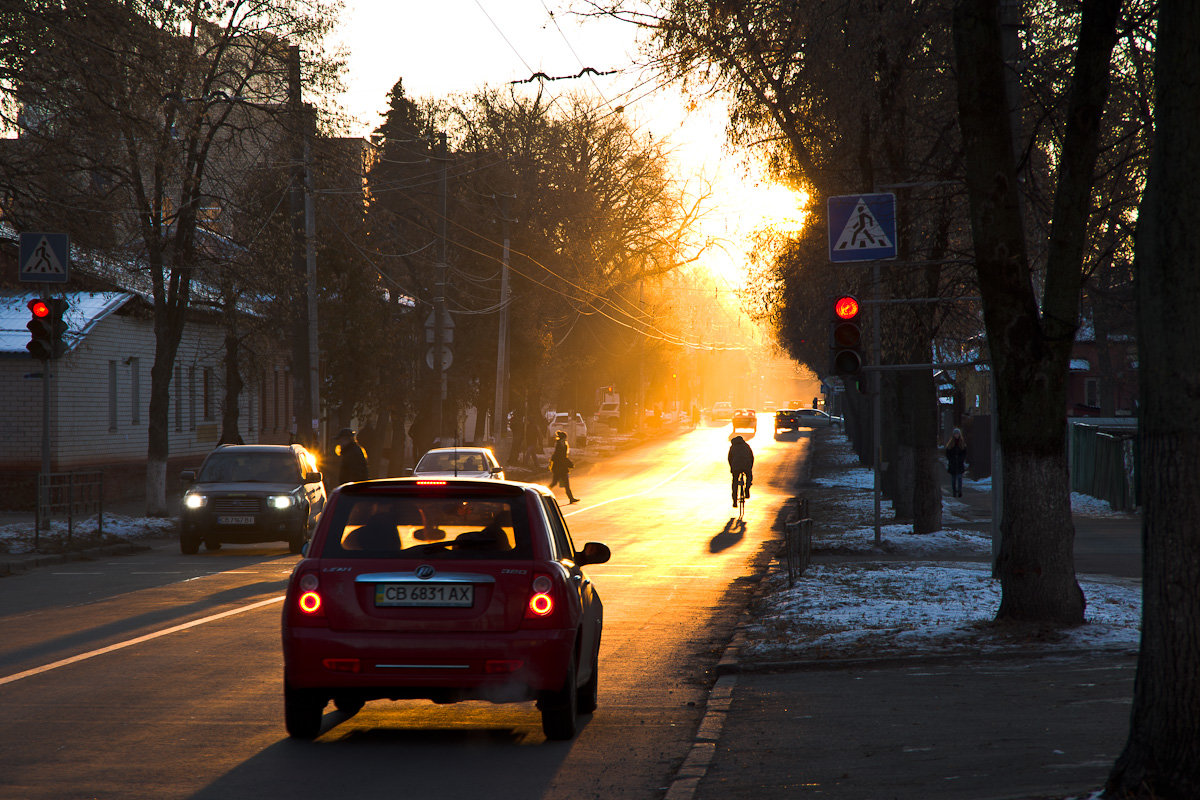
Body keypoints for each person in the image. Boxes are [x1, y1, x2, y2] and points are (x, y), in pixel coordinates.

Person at [548, 430, 579, 504]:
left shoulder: (564, 445)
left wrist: (569, 463)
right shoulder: (559, 445)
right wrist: (569, 463)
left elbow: (564, 457)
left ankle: (571, 498)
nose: (566, 439)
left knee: (566, 484)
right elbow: (559, 457)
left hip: (562, 468)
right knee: (554, 483)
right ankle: (543, 493)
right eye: (565, 438)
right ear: (563, 438)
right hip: (558, 468)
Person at [728, 435, 754, 507]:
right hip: (746, 466)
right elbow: (751, 457)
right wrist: (750, 467)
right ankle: (747, 489)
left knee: (735, 483)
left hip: (736, 467)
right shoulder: (746, 446)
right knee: (749, 477)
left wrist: (732, 467)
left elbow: (730, 458)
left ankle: (735, 501)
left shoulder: (732, 447)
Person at [945, 428, 967, 497]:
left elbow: (964, 453)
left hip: (959, 463)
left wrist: (961, 459)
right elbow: (948, 453)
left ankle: (960, 491)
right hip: (953, 464)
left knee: (960, 478)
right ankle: (954, 491)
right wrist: (952, 459)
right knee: (953, 479)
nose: (956, 435)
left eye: (957, 434)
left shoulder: (962, 443)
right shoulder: (950, 444)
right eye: (955, 434)